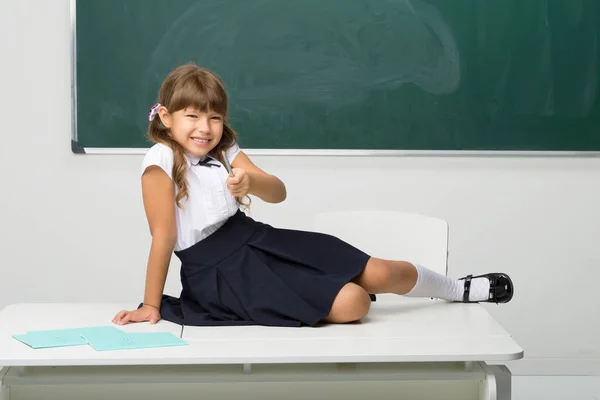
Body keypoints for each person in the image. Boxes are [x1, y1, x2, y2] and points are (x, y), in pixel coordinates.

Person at [112, 63, 513, 327]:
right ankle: (322, 291)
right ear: (166, 117)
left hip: (258, 240)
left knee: (381, 271)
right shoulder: (160, 160)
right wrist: (151, 304)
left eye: (214, 117)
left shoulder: (224, 150)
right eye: (192, 116)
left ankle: (460, 289)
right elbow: (162, 237)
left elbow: (278, 192)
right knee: (356, 304)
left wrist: (250, 182)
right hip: (222, 275)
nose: (205, 127)